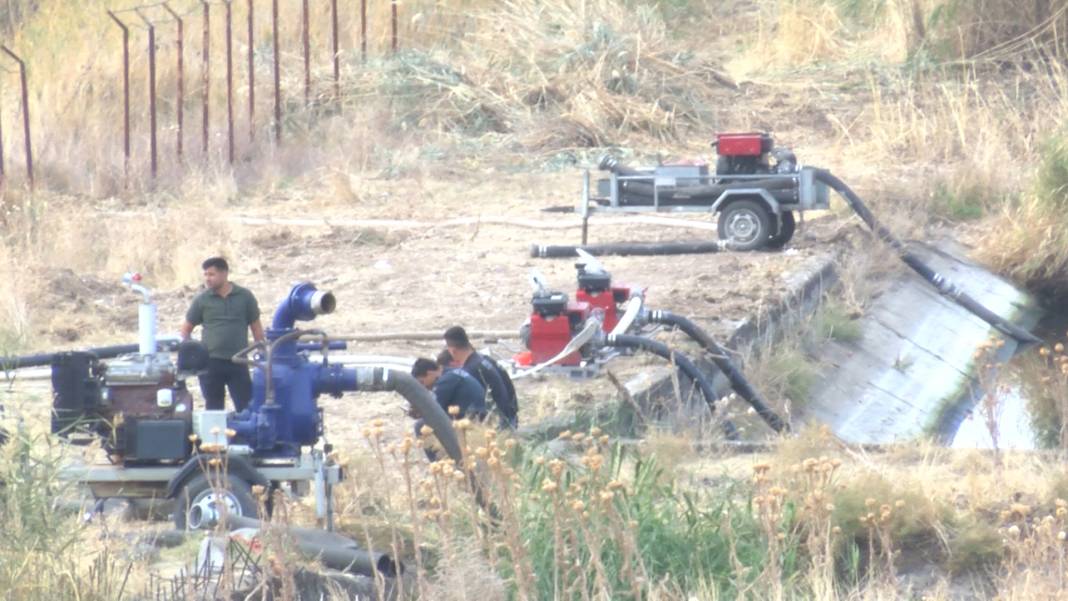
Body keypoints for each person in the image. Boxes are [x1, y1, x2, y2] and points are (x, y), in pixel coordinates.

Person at [180, 257, 265, 412]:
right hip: (211, 363)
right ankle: (214, 437)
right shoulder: (202, 300)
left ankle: (242, 436)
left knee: (246, 407)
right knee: (213, 408)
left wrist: (262, 352)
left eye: (211, 274)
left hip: (238, 361)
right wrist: (193, 354)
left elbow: (256, 326)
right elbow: (186, 330)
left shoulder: (244, 297)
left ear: (224, 273)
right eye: (205, 275)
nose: (207, 279)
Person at [443, 325, 519, 429]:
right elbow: (508, 385)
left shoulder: (470, 371)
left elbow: (470, 408)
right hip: (510, 415)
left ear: (453, 351)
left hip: (498, 426)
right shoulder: (485, 359)